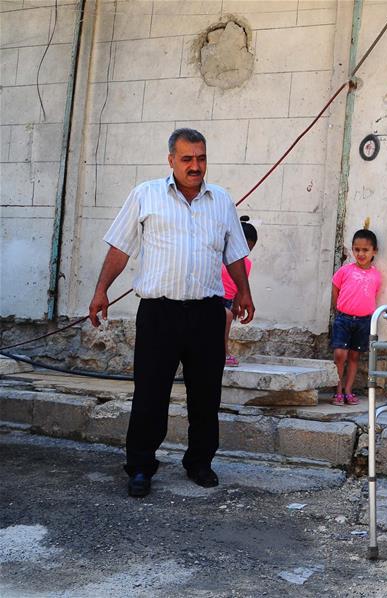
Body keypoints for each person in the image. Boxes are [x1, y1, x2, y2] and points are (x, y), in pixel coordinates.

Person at [88, 128, 254, 498]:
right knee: (150, 392)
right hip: (159, 313)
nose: (195, 166)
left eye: (201, 158)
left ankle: (199, 462)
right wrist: (101, 291)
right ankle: (141, 466)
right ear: (171, 161)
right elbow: (120, 248)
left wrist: (243, 291)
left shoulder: (221, 200)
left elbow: (235, 252)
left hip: (207, 313)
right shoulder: (145, 195)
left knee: (206, 394)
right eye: (187, 159)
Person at [330, 229, 381, 405]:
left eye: (365, 250)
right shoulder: (345, 271)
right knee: (339, 354)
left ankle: (348, 390)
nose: (360, 254)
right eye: (356, 249)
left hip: (364, 321)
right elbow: (335, 288)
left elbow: (372, 295)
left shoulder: (376, 275)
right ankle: (337, 390)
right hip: (343, 319)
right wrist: (339, 308)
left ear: (374, 251)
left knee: (354, 357)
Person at [223, 216, 258, 367]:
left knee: (227, 323)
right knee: (226, 318)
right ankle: (223, 353)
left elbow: (240, 286)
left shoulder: (246, 264)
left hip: (229, 300)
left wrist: (236, 305)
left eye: (249, 250)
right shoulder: (221, 257)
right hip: (213, 297)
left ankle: (222, 351)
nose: (245, 253)